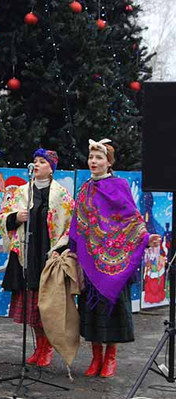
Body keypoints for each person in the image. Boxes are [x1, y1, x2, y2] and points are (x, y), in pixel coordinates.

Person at [70, 139, 161, 378]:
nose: (93, 162)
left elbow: (131, 218)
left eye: (99, 158)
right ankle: (95, 357)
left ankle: (110, 357)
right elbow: (79, 221)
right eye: (91, 157)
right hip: (91, 259)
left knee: (112, 311)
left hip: (114, 262)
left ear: (109, 162)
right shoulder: (85, 188)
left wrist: (144, 237)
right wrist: (73, 246)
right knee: (91, 312)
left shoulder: (118, 185)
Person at [0, 149, 74, 367]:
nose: (37, 165)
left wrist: (60, 249)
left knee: (47, 304)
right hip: (27, 254)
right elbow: (2, 217)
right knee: (31, 305)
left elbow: (70, 225)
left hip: (48, 254)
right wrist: (14, 217)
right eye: (35, 161)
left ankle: (47, 347)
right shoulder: (21, 192)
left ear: (52, 168)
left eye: (42, 162)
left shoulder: (62, 195)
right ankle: (38, 346)